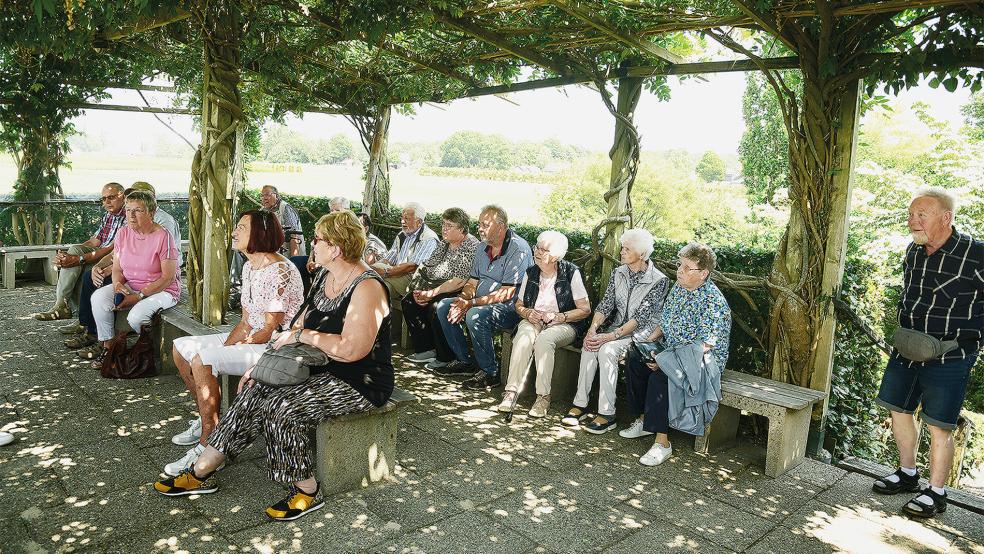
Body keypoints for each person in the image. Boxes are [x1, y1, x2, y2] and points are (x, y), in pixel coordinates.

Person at [154, 211, 393, 522]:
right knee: (254, 392)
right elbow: (299, 323)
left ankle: (307, 490)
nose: (312, 244)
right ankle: (203, 470)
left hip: (359, 380)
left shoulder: (367, 287)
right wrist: (265, 366)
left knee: (282, 407)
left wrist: (302, 335)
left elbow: (351, 349)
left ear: (335, 248)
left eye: (318, 239)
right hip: (318, 366)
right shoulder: (324, 275)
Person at [871, 188, 983, 519]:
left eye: (922, 214)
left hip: (951, 354)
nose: (913, 221)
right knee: (899, 410)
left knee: (939, 425)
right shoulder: (914, 251)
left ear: (946, 218)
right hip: (907, 347)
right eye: (911, 214)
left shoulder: (975, 254)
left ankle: (936, 492)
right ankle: (907, 474)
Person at [165, 210, 304, 476]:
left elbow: (268, 329)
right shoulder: (251, 265)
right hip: (256, 336)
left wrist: (223, 352)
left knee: (204, 359)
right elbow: (245, 321)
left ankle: (209, 441)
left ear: (260, 234)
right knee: (182, 347)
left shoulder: (280, 270)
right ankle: (208, 418)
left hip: (277, 346)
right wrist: (226, 348)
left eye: (241, 227)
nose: (234, 231)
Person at [620, 242, 731, 466]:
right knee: (635, 357)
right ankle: (643, 420)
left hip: (699, 361)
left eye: (687, 267)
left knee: (661, 377)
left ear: (703, 273)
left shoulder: (713, 301)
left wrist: (665, 362)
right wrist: (649, 342)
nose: (680, 270)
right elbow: (665, 321)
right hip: (672, 351)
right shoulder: (679, 288)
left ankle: (662, 443)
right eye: (680, 265)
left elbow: (704, 346)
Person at [562, 228, 669, 434]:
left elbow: (640, 319)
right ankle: (580, 404)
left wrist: (610, 336)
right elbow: (606, 304)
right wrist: (593, 330)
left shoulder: (659, 280)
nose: (621, 252)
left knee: (607, 350)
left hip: (641, 336)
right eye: (622, 247)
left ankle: (607, 414)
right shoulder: (618, 272)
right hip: (616, 330)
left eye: (627, 249)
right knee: (590, 345)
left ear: (642, 254)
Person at [64, 182, 183, 350]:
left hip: (162, 289)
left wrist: (139, 296)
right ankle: (108, 345)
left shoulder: (164, 234)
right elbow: (118, 267)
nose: (131, 216)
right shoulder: (124, 233)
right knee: (98, 297)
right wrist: (118, 284)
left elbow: (168, 277)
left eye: (138, 211)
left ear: (151, 212)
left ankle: (142, 349)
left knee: (136, 317)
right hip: (132, 284)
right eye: (128, 210)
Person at [435, 205, 533, 389]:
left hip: (511, 308)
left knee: (475, 315)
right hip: (479, 302)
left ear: (501, 227)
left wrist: (470, 304)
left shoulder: (518, 250)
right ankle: (464, 362)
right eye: (479, 224)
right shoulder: (482, 247)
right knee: (444, 306)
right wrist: (463, 300)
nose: (479, 228)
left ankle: (490, 373)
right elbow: (472, 282)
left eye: (485, 224)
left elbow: (507, 292)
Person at [497, 231, 591, 417]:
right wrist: (527, 312)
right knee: (523, 338)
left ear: (556, 255)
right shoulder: (531, 271)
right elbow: (519, 304)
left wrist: (560, 317)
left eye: (544, 250)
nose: (538, 252)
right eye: (537, 247)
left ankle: (543, 397)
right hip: (534, 319)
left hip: (565, 323)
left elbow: (585, 309)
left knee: (545, 340)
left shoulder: (571, 272)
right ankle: (511, 392)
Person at [35, 182, 125, 321]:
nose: (106, 202)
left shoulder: (129, 216)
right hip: (101, 255)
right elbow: (95, 242)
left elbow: (111, 249)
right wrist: (67, 256)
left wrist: (78, 259)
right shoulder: (109, 215)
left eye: (111, 197)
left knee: (77, 263)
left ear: (123, 196)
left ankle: (68, 310)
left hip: (113, 260)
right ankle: (70, 310)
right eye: (103, 198)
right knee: (73, 253)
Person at [401, 208, 479, 366]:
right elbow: (428, 266)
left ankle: (445, 356)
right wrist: (421, 291)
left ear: (462, 229)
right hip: (435, 285)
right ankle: (426, 349)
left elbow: (459, 281)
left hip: (457, 290)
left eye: (449, 225)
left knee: (437, 307)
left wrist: (431, 294)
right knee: (409, 301)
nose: (444, 228)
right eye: (443, 224)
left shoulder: (471, 246)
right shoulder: (444, 243)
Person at [233, 186, 303, 308]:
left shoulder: (286, 209)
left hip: (282, 251)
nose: (264, 198)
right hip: (266, 251)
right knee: (238, 254)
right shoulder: (262, 211)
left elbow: (294, 235)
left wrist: (295, 260)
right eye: (262, 196)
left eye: (267, 195)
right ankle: (236, 289)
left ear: (276, 195)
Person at [372, 202, 439, 305]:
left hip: (414, 281)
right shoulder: (402, 235)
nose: (402, 221)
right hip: (397, 274)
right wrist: (378, 268)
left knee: (379, 288)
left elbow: (412, 267)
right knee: (374, 283)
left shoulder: (428, 239)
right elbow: (389, 258)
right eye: (402, 217)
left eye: (407, 219)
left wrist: (385, 272)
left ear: (419, 222)